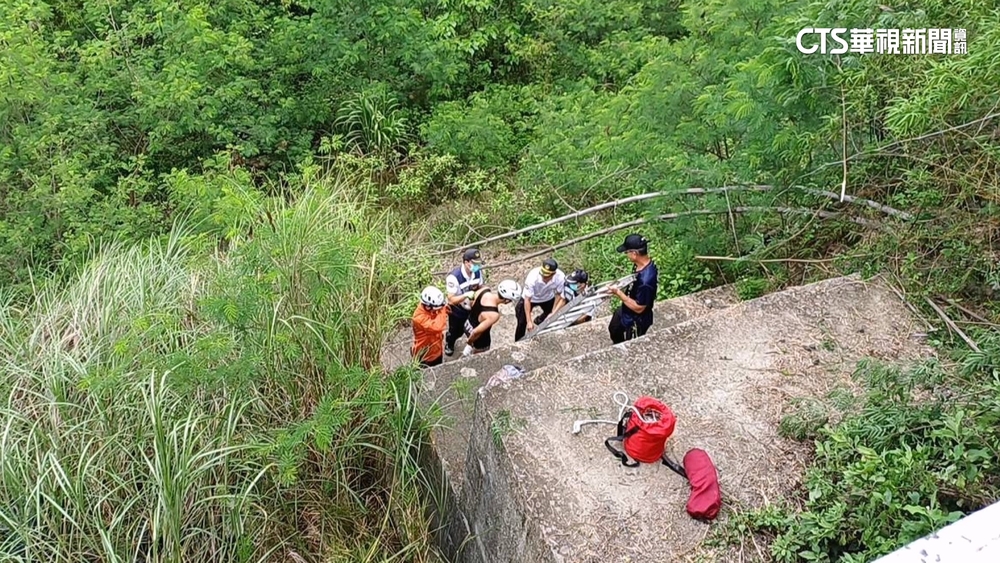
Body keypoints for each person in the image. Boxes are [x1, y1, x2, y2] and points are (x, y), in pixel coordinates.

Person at [607, 234, 658, 344]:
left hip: (636, 319)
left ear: (634, 253)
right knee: (614, 329)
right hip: (626, 310)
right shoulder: (640, 265)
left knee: (632, 343)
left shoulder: (646, 281)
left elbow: (639, 308)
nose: (627, 255)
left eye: (627, 252)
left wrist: (618, 293)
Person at [461, 279, 522, 356]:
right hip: (480, 341)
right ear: (507, 300)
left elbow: (471, 303)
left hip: (468, 324)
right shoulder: (493, 314)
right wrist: (469, 344)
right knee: (479, 356)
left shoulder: (484, 290)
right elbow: (475, 332)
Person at [444, 248, 485, 356]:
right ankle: (450, 343)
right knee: (455, 331)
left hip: (471, 308)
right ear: (466, 262)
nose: (477, 266)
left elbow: (480, 286)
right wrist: (465, 296)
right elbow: (451, 299)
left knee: (470, 328)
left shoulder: (477, 273)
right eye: (474, 263)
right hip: (458, 309)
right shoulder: (454, 277)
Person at [514, 258, 566, 341]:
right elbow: (527, 299)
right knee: (521, 322)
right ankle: (518, 341)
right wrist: (529, 321)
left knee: (551, 315)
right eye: (543, 274)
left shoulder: (560, 277)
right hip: (531, 298)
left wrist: (553, 312)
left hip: (547, 297)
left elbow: (560, 295)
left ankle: (540, 321)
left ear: (554, 274)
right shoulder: (533, 276)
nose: (544, 277)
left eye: (547, 276)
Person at [411, 286, 449, 367]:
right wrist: (443, 308)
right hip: (424, 354)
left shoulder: (430, 309)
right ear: (428, 306)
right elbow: (437, 327)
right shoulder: (419, 317)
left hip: (437, 348)